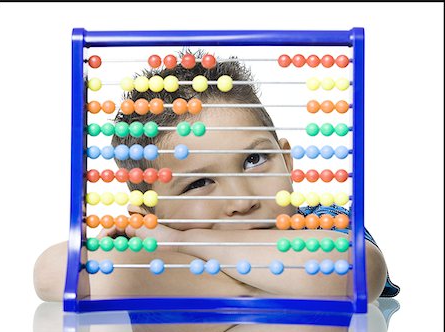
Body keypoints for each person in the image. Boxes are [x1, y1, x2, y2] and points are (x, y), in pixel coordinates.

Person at [34, 49, 399, 304]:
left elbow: (362, 273)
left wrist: (183, 243)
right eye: (198, 183)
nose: (242, 200)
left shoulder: (323, 223)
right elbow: (49, 274)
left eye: (255, 159)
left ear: (287, 161)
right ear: (148, 213)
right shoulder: (147, 243)